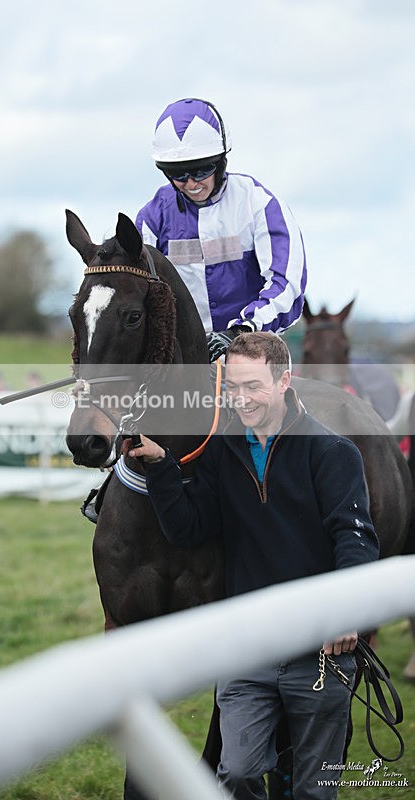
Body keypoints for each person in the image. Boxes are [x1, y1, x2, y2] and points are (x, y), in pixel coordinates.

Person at [125, 332, 379, 800]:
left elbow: (355, 537)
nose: (241, 399)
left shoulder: (333, 453)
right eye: (233, 387)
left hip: (321, 650)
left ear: (284, 381)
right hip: (247, 648)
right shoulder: (223, 451)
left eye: (253, 387)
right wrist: (162, 467)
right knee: (236, 772)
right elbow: (189, 527)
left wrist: (347, 612)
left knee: (312, 789)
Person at [136, 98, 307, 362]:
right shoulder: (153, 215)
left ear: (221, 161)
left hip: (253, 350)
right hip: (182, 358)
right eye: (178, 174)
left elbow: (286, 285)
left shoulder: (259, 204)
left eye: (201, 170)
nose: (191, 183)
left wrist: (239, 332)